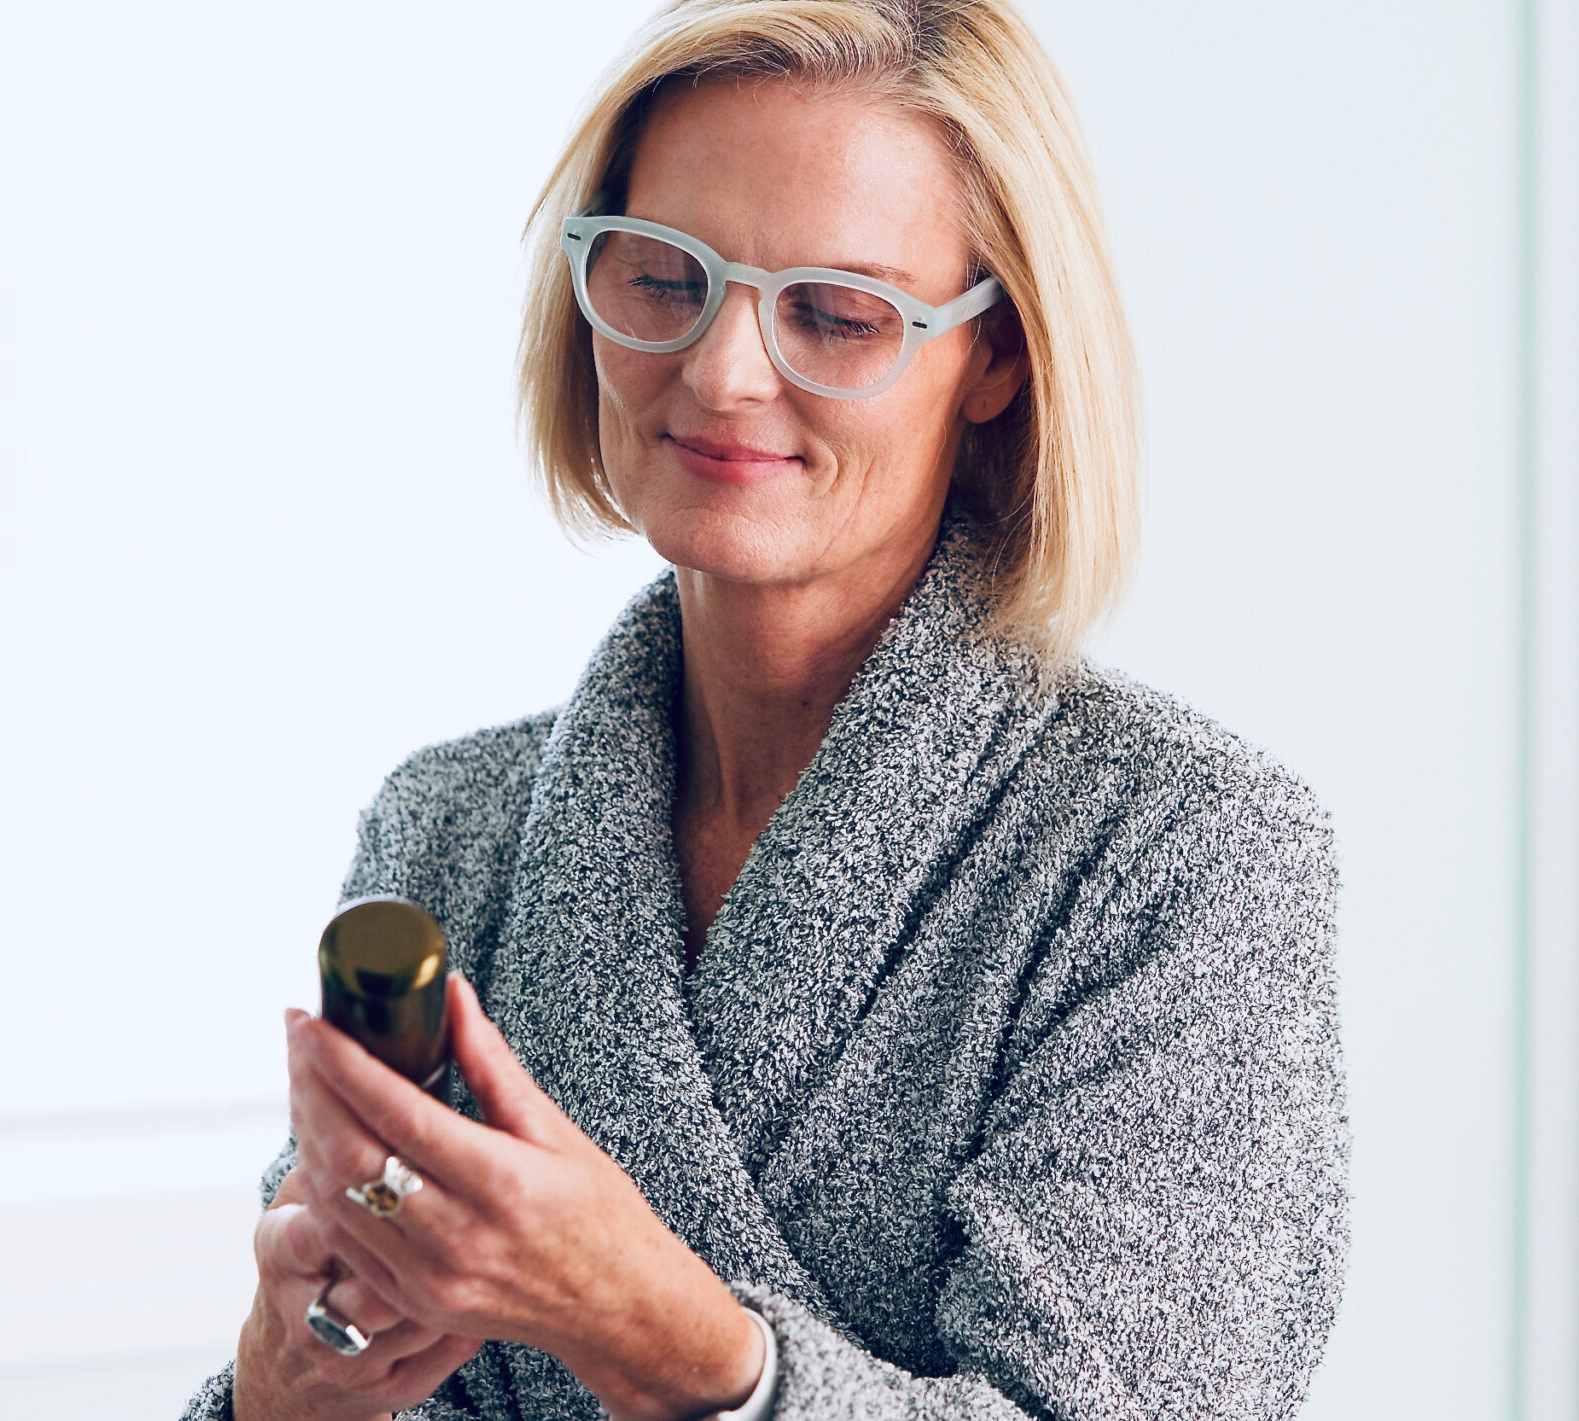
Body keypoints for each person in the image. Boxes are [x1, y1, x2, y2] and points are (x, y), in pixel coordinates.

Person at [181, 1, 1348, 1417]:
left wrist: (661, 1331)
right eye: (666, 278)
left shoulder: (1182, 856)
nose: (725, 373)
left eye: (837, 313)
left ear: (996, 356)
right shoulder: (450, 831)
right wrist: (286, 1379)